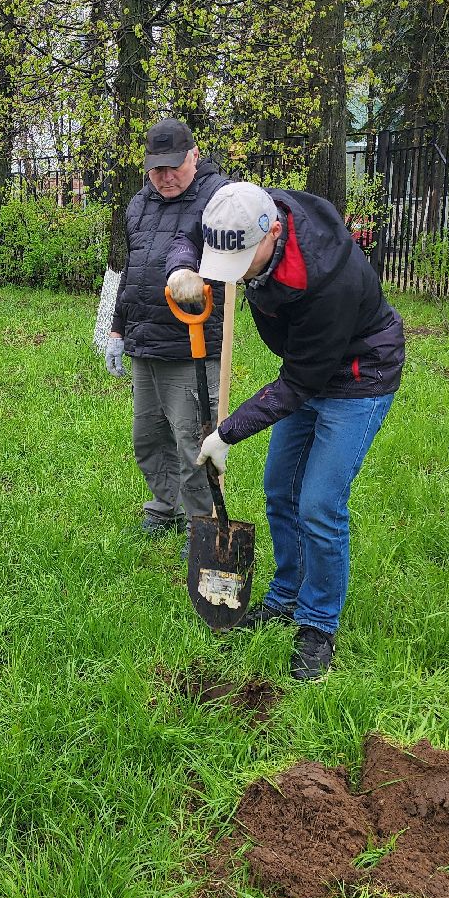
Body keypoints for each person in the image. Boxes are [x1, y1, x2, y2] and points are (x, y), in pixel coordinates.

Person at [167, 182, 405, 681]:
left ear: (274, 233)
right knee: (279, 488)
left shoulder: (327, 277)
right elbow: (191, 228)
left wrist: (227, 433)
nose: (236, 275)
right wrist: (183, 267)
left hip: (358, 375)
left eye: (243, 262)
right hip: (305, 367)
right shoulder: (239, 210)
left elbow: (299, 384)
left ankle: (317, 623)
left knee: (319, 504)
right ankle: (286, 595)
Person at [106, 118, 228, 538]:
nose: (165, 176)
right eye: (156, 168)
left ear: (195, 155)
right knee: (148, 437)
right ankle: (164, 508)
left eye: (174, 166)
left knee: (194, 443)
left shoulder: (218, 199)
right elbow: (132, 273)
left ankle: (202, 527)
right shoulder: (139, 204)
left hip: (191, 346)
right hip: (145, 342)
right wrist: (118, 330)